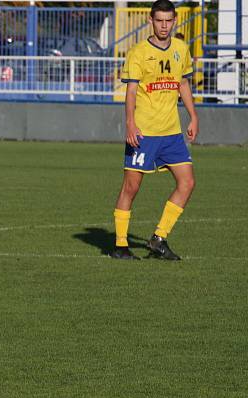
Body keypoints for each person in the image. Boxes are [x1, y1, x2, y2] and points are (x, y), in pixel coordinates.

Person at [112, 0, 197, 260]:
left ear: (174, 21)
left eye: (168, 20)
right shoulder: (138, 52)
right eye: (159, 20)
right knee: (131, 187)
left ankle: (159, 239)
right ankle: (120, 245)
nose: (163, 25)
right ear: (150, 21)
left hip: (171, 132)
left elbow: (182, 83)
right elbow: (131, 91)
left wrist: (193, 116)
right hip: (144, 132)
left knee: (187, 182)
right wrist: (130, 123)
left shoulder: (181, 49)